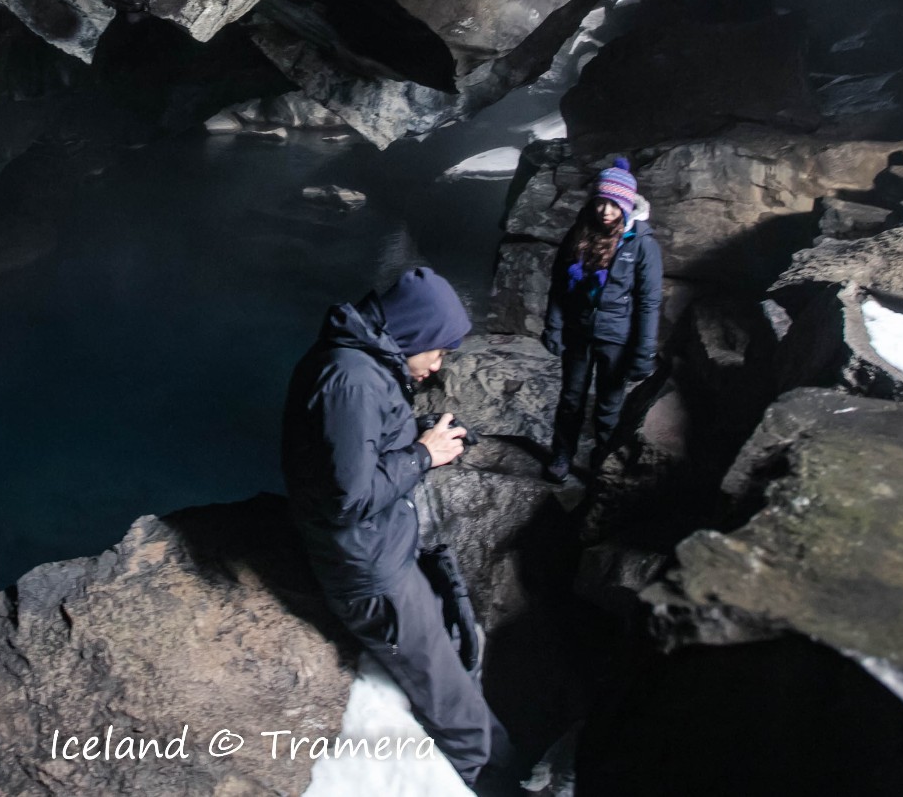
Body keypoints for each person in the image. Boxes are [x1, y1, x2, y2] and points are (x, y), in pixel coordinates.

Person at [281, 266, 508, 789]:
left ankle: (498, 761)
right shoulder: (352, 379)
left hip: (383, 551)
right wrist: (422, 456)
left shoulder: (363, 362)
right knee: (458, 710)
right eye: (439, 349)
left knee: (452, 653)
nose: (438, 364)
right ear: (416, 332)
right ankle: (490, 778)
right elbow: (348, 498)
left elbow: (351, 454)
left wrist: (418, 440)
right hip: (369, 570)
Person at [541, 157, 662, 482]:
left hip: (617, 338)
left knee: (609, 407)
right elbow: (559, 284)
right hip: (579, 332)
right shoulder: (580, 232)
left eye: (613, 204)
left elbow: (649, 302)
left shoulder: (641, 244)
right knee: (571, 399)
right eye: (601, 202)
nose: (605, 211)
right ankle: (562, 454)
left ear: (626, 205)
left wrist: (643, 353)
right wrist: (553, 325)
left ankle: (602, 461)